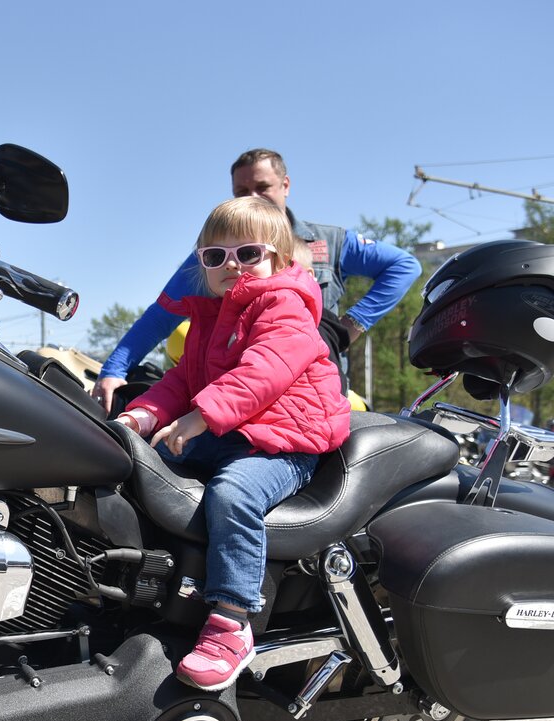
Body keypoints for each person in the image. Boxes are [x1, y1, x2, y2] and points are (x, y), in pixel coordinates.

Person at [116, 196, 350, 690]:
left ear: (278, 259)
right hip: (231, 431)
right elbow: (182, 379)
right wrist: (141, 415)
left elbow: (264, 371)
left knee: (233, 493)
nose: (232, 265)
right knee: (137, 464)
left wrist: (200, 417)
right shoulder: (209, 316)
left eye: (248, 253)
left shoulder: (285, 305)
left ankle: (231, 622)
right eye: (215, 256)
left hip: (285, 440)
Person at [93, 148, 421, 414]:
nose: (253, 196)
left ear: (285, 185)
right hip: (230, 395)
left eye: (263, 187)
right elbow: (162, 315)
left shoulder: (329, 241)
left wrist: (353, 325)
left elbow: (404, 266)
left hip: (308, 398)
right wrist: (114, 371)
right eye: (241, 191)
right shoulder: (214, 254)